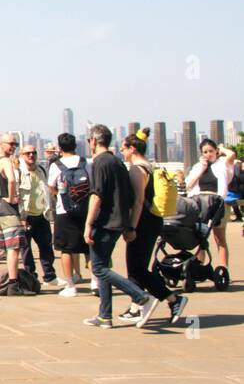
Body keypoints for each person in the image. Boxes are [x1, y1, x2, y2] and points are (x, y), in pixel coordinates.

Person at [82, 124, 156, 329]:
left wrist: (88, 224)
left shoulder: (99, 162)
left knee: (99, 268)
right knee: (103, 266)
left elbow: (96, 195)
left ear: (94, 141)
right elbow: (128, 196)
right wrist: (129, 225)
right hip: (118, 222)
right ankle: (105, 316)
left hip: (104, 222)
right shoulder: (116, 161)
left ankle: (141, 297)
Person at [117, 129, 187, 324]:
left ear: (132, 149)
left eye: (124, 148)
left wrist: (131, 227)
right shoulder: (150, 166)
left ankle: (173, 299)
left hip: (143, 222)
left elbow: (139, 200)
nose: (122, 152)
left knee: (137, 268)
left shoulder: (137, 169)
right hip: (151, 221)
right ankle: (136, 307)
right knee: (136, 267)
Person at [47, 133, 89, 296]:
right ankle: (97, 283)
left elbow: (51, 186)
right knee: (87, 248)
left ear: (59, 148)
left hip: (64, 211)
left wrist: (58, 195)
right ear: (76, 146)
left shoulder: (56, 165)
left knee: (65, 249)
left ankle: (70, 285)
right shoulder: (86, 162)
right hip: (84, 210)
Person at [0, 133, 26, 294]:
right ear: (1, 144)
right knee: (13, 247)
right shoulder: (5, 161)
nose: (13, 147)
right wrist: (11, 197)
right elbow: (12, 179)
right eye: (11, 144)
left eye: (15, 144)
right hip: (8, 209)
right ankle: (13, 283)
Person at [185, 138, 235, 269]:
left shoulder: (223, 164)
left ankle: (224, 267)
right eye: (205, 152)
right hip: (200, 203)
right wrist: (202, 169)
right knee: (201, 237)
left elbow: (231, 155)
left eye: (211, 151)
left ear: (216, 151)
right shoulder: (198, 166)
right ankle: (199, 265)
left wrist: (222, 148)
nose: (208, 154)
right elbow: (189, 185)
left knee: (219, 238)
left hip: (218, 204)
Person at [17, 144, 57, 284]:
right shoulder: (18, 172)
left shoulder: (41, 170)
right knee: (26, 249)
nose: (31, 155)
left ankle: (50, 276)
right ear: (22, 155)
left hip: (42, 214)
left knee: (46, 246)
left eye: (33, 152)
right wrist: (21, 217)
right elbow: (16, 195)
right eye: (27, 153)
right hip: (26, 216)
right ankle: (31, 277)